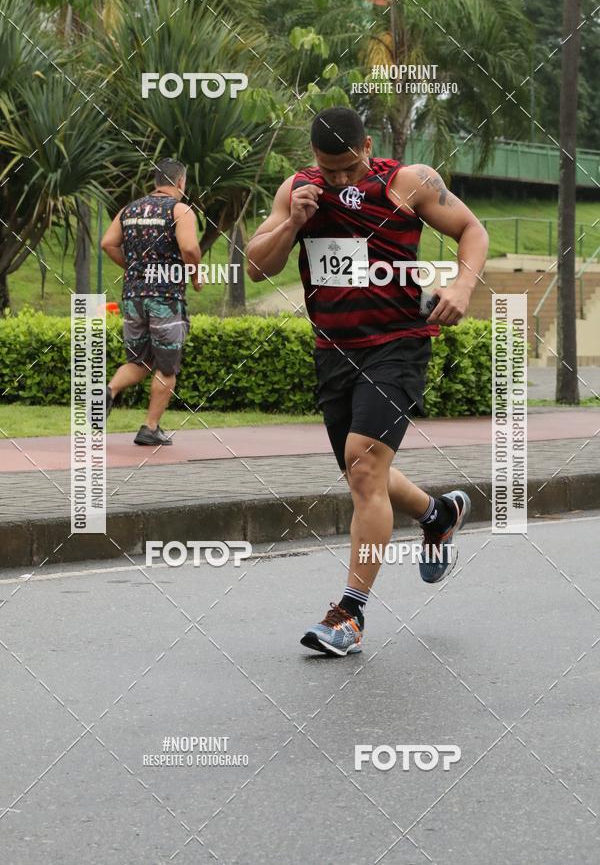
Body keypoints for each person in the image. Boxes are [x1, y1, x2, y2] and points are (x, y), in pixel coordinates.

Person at [246, 106, 488, 656]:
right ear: (313, 159)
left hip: (398, 346)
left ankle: (349, 614)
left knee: (363, 464)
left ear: (369, 146)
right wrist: (292, 223)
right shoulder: (299, 189)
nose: (338, 179)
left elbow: (472, 229)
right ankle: (439, 513)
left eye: (349, 168)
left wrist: (463, 287)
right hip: (334, 352)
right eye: (329, 169)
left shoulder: (409, 182)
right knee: (365, 477)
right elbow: (256, 265)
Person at [100, 158, 201, 445]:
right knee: (166, 367)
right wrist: (195, 277)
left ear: (157, 181)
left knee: (140, 360)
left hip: (133, 297)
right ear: (180, 182)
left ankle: (107, 392)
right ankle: (150, 428)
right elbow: (190, 248)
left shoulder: (129, 210)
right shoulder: (180, 210)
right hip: (166, 299)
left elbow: (107, 243)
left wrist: (134, 269)